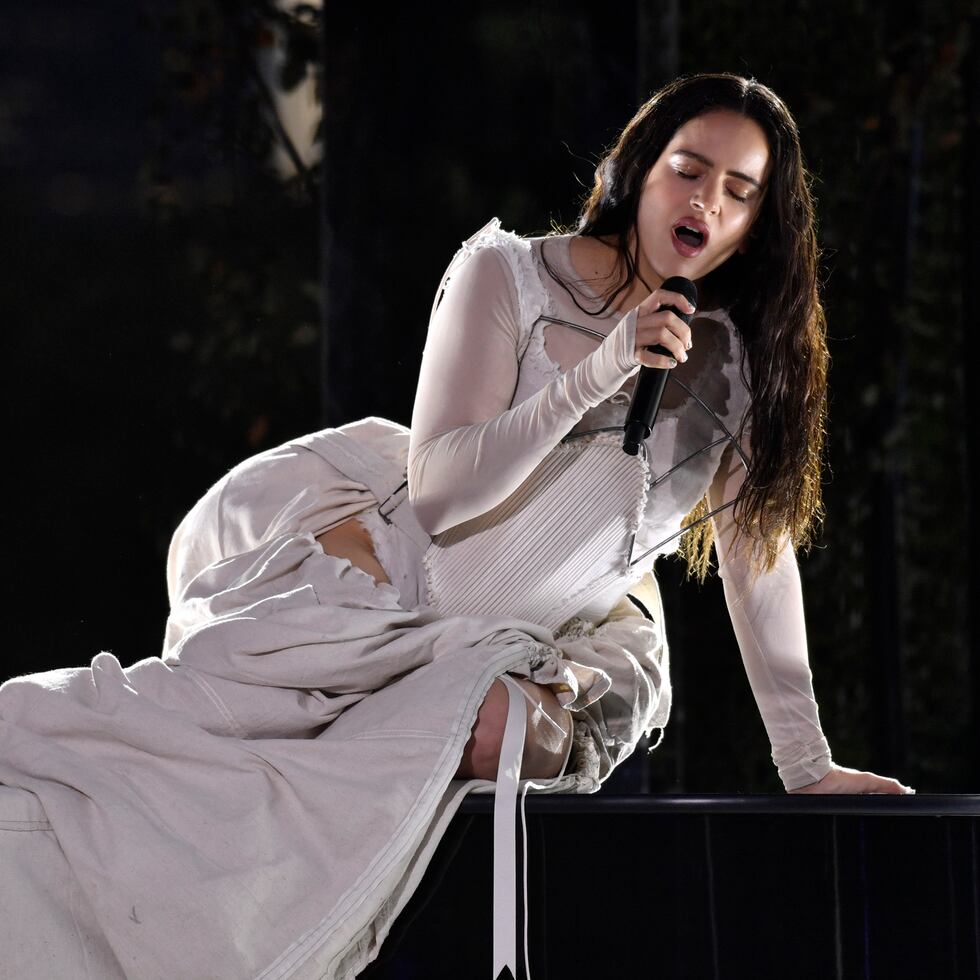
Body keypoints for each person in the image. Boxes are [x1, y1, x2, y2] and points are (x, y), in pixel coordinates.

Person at [0, 72, 913, 979]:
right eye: (688, 168)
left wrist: (807, 763)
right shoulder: (507, 273)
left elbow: (760, 563)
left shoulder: (743, 369)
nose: (706, 200)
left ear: (760, 223)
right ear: (640, 172)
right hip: (369, 605)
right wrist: (598, 372)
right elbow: (439, 492)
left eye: (740, 191)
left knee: (502, 734)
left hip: (509, 656)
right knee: (141, 773)